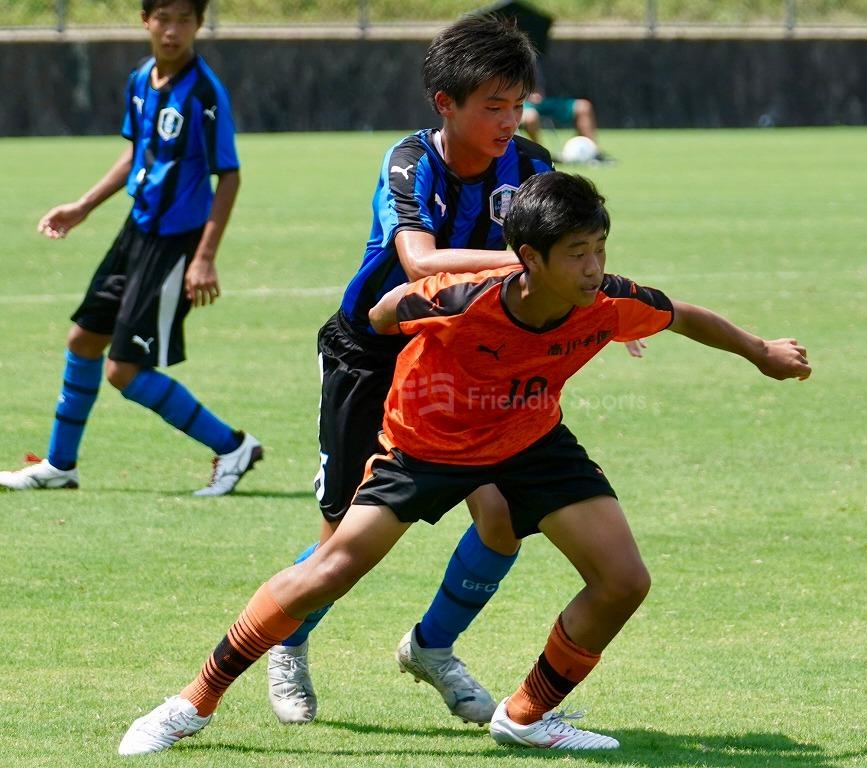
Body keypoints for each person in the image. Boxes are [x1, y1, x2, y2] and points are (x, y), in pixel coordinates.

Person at [118, 171, 812, 755]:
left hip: (528, 440)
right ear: (529, 259)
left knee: (623, 580)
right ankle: (193, 702)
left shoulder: (606, 303)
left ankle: (527, 716)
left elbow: (684, 314)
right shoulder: (459, 298)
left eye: (599, 247)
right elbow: (386, 312)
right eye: (577, 252)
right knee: (330, 569)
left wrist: (761, 352)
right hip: (425, 444)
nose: (594, 266)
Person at [264, 13, 554, 728]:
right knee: (342, 537)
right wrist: (527, 262)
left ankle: (432, 646)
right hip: (371, 356)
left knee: (502, 519)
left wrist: (588, 296)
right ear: (444, 104)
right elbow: (421, 262)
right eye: (493, 106)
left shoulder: (533, 168)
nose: (508, 120)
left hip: (463, 358)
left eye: (517, 104)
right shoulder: (409, 162)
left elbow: (564, 257)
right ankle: (286, 643)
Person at [0, 0, 261, 497]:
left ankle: (232, 447)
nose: (173, 30)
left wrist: (204, 256)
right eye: (163, 18)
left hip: (176, 244)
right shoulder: (142, 79)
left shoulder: (204, 93)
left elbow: (228, 175)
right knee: (83, 341)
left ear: (198, 25)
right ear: (146, 21)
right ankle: (60, 465)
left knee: (124, 369)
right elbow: (136, 154)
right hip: (135, 232)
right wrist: (83, 206)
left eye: (185, 20)